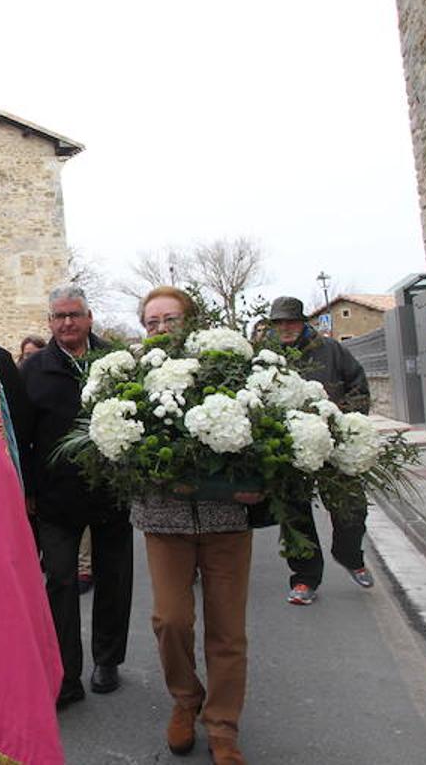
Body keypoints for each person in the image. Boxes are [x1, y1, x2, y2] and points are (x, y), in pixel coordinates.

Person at [131, 286, 259, 765]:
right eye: (152, 322)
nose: (161, 329)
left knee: (227, 630)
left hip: (226, 518)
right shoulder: (131, 372)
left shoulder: (223, 363)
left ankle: (223, 726)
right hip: (163, 519)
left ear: (190, 321)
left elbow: (264, 431)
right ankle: (186, 698)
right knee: (170, 619)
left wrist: (258, 482)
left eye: (170, 319)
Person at [20, 285, 133, 707]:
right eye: (59, 316)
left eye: (75, 315)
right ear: (50, 323)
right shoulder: (34, 371)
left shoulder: (116, 364)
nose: (67, 323)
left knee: (114, 579)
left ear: (89, 318)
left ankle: (108, 659)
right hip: (55, 499)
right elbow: (23, 438)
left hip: (110, 494)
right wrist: (28, 491)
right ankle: (65, 674)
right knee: (61, 583)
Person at [269, 295, 374, 605]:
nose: (284, 327)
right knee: (295, 515)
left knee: (351, 509)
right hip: (289, 451)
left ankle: (350, 555)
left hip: (333, 445)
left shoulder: (331, 350)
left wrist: (346, 421)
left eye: (290, 321)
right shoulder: (268, 356)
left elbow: (359, 386)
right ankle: (304, 579)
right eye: (278, 322)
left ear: (302, 322)